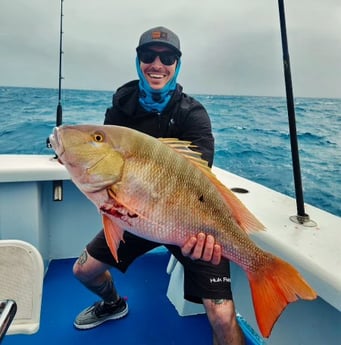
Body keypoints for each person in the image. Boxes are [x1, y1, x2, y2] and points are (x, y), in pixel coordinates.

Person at [73, 26, 245, 345]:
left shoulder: (193, 115)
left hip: (189, 221)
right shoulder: (121, 108)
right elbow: (107, 164)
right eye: (148, 56)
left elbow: (200, 183)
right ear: (138, 60)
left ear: (177, 64)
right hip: (136, 217)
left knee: (222, 316)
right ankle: (113, 304)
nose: (157, 64)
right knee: (84, 271)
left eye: (167, 57)